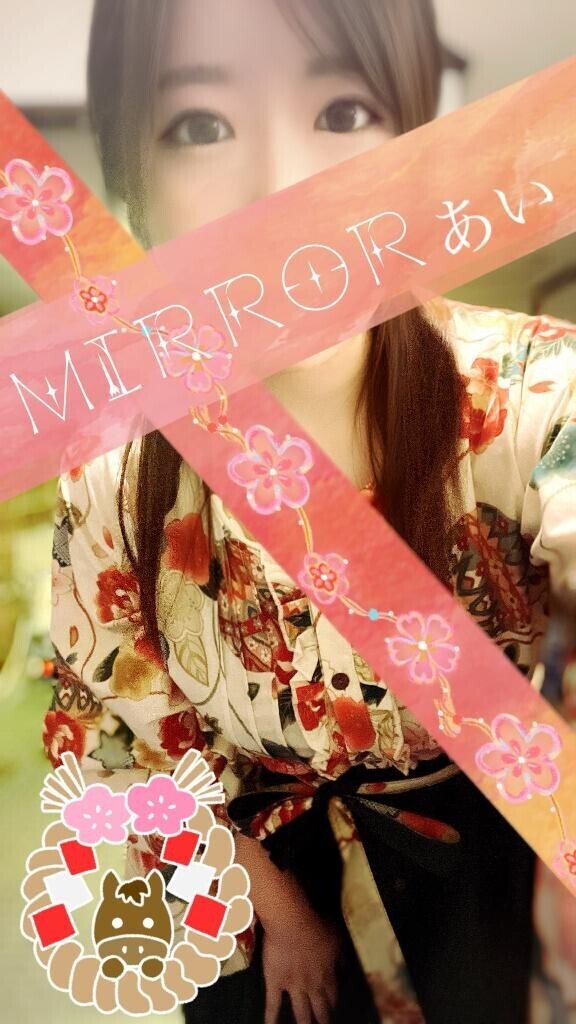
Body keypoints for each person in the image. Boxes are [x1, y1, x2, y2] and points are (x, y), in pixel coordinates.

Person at [44, 1, 576, 1021]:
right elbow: (115, 734)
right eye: (200, 125)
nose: (283, 195)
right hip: (247, 868)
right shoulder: (111, 466)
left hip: (490, 869)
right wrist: (277, 906)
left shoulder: (532, 394)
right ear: (131, 185)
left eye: (344, 111)